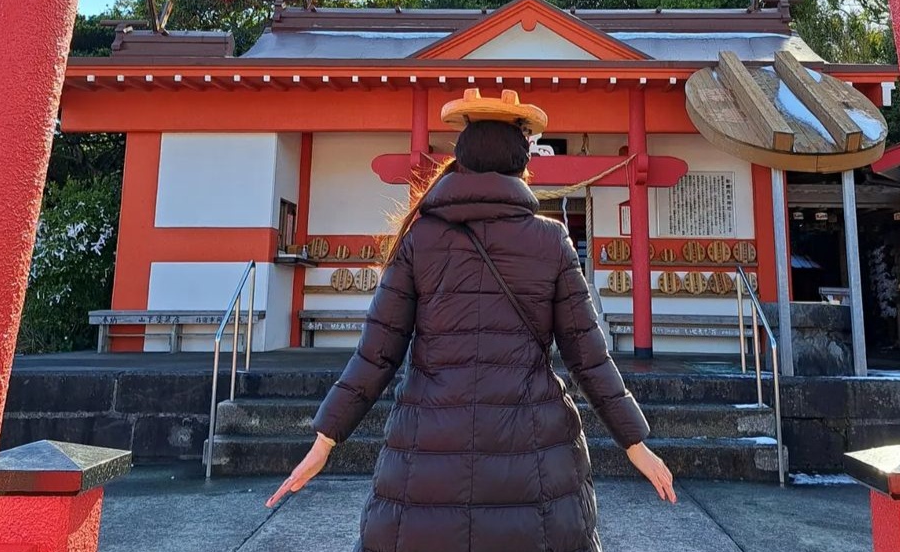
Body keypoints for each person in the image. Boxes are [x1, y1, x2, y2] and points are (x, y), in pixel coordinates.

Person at [267, 89, 676, 551]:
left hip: (428, 457)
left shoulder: (420, 236)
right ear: (522, 167)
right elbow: (588, 357)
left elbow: (376, 355)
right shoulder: (551, 241)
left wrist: (325, 440)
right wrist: (635, 442)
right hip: (532, 459)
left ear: (461, 160)